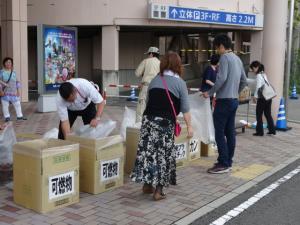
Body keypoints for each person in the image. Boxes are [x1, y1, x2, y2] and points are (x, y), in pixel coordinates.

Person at [131, 52, 193, 201]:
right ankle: (158, 191)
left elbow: (148, 101)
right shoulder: (180, 83)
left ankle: (146, 185)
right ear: (178, 65)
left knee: (148, 153)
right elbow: (185, 108)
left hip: (148, 120)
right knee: (163, 156)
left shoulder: (155, 80)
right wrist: (190, 127)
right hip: (165, 123)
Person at [203, 34, 247, 174]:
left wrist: (209, 93)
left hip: (224, 101)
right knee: (230, 132)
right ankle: (228, 161)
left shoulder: (225, 58)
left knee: (219, 132)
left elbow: (221, 80)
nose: (216, 50)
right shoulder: (237, 59)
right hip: (233, 100)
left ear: (221, 46)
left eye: (216, 47)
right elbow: (244, 81)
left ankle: (223, 163)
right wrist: (235, 92)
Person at [250, 61, 276, 136]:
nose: (253, 70)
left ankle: (260, 132)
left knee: (259, 114)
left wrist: (255, 97)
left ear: (256, 67)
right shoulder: (263, 74)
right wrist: (245, 79)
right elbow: (256, 82)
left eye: (253, 68)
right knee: (268, 114)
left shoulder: (258, 75)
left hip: (262, 98)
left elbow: (258, 87)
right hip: (268, 97)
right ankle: (272, 130)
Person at [135, 47, 160, 122]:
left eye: (149, 54)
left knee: (141, 106)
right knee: (154, 106)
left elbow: (137, 73)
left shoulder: (146, 61)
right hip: (157, 87)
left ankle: (139, 124)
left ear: (152, 53)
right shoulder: (160, 63)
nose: (148, 56)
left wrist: (144, 73)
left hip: (146, 86)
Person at [0, 57, 27, 122]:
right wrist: (0, 91)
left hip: (14, 91)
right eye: (7, 62)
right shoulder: (1, 72)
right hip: (5, 91)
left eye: (10, 62)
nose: (8, 63)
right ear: (4, 63)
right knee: (5, 105)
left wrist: (18, 91)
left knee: (17, 104)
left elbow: (17, 82)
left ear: (11, 64)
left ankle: (19, 116)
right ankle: (7, 117)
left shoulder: (14, 72)